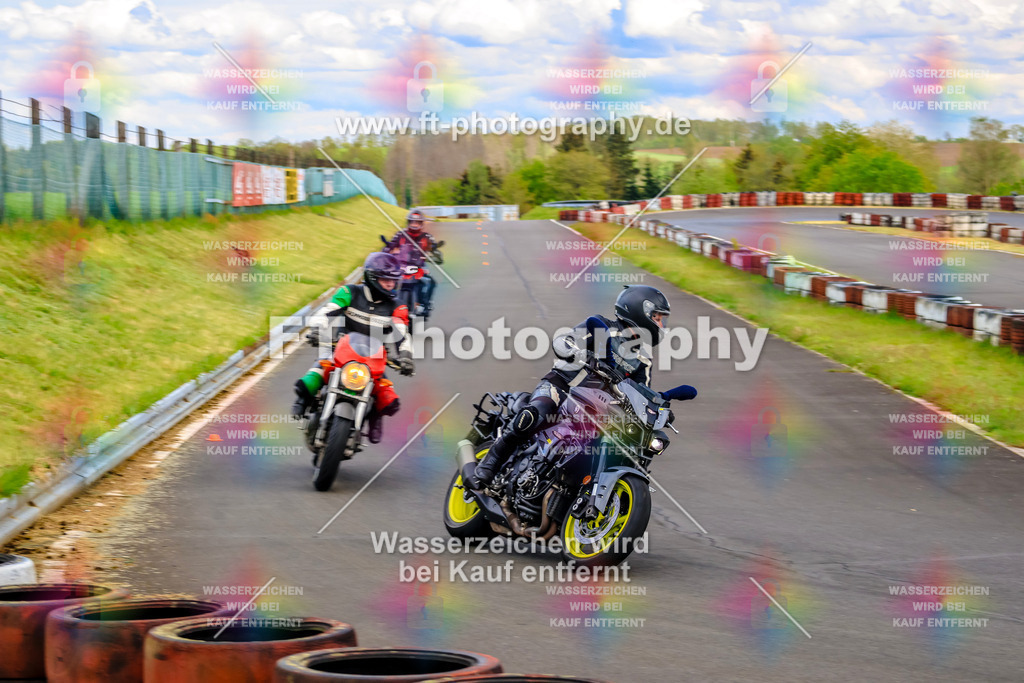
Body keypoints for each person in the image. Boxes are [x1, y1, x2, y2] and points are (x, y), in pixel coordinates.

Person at [468, 284, 694, 490]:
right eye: (657, 317)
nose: (661, 324)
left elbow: (640, 393)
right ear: (638, 311)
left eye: (662, 319)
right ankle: (490, 464)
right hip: (562, 388)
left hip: (599, 407)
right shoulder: (601, 326)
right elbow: (563, 341)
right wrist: (573, 349)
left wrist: (659, 405)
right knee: (534, 414)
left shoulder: (643, 359)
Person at [292, 252, 415, 443]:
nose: (391, 284)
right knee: (313, 376)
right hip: (340, 350)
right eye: (385, 279)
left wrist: (406, 356)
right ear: (372, 277)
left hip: (374, 359)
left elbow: (403, 332)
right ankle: (303, 401)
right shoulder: (349, 292)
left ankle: (374, 418)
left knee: (389, 398)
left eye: (393, 280)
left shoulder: (398, 306)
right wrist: (316, 329)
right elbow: (326, 310)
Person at [385, 209, 439, 317]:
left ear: (421, 224)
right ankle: (388, 305)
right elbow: (389, 246)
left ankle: (425, 304)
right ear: (409, 223)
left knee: (430, 282)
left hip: (419, 265)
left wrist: (435, 253)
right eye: (412, 222)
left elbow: (435, 249)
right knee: (387, 281)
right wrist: (387, 252)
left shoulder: (427, 237)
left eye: (417, 222)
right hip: (401, 265)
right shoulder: (400, 234)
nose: (414, 224)